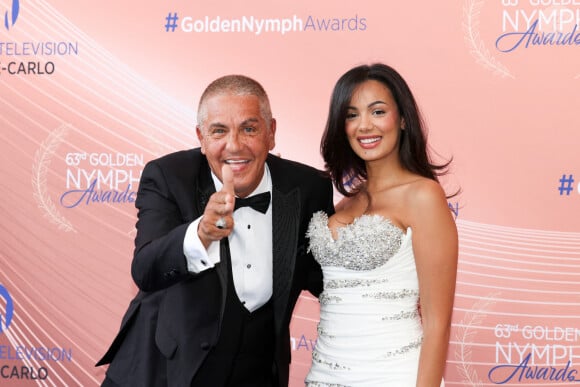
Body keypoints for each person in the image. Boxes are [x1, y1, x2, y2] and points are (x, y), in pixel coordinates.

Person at [96, 74, 334, 386]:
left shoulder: (308, 188)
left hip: (258, 375)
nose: (234, 145)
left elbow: (326, 277)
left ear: (271, 132)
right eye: (219, 131)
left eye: (249, 129)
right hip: (162, 372)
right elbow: (146, 268)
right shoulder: (168, 176)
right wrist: (202, 233)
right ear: (201, 137)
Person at [304, 63, 458, 386]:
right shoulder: (347, 201)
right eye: (351, 115)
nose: (364, 126)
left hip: (393, 376)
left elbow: (436, 322)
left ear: (402, 119)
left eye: (377, 112)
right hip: (323, 376)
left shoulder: (423, 196)